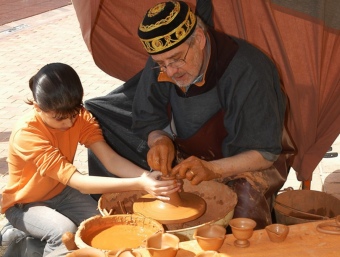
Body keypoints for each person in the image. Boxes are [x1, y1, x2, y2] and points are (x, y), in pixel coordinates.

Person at [130, 0, 295, 229]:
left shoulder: (248, 69)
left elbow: (264, 153)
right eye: (161, 64)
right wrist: (159, 140)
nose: (170, 72)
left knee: (243, 213)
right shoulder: (164, 60)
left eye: (177, 59)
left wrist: (213, 169)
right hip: (193, 156)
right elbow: (148, 117)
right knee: (163, 201)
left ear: (199, 39)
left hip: (253, 159)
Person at [1, 63, 180, 256]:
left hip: (61, 192)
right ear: (38, 108)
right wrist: (139, 183)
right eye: (60, 118)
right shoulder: (27, 134)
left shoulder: (79, 117)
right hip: (24, 203)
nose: (69, 123)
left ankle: (25, 240)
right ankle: (18, 233)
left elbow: (110, 160)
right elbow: (81, 183)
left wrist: (148, 176)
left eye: (72, 114)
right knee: (63, 232)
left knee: (101, 224)